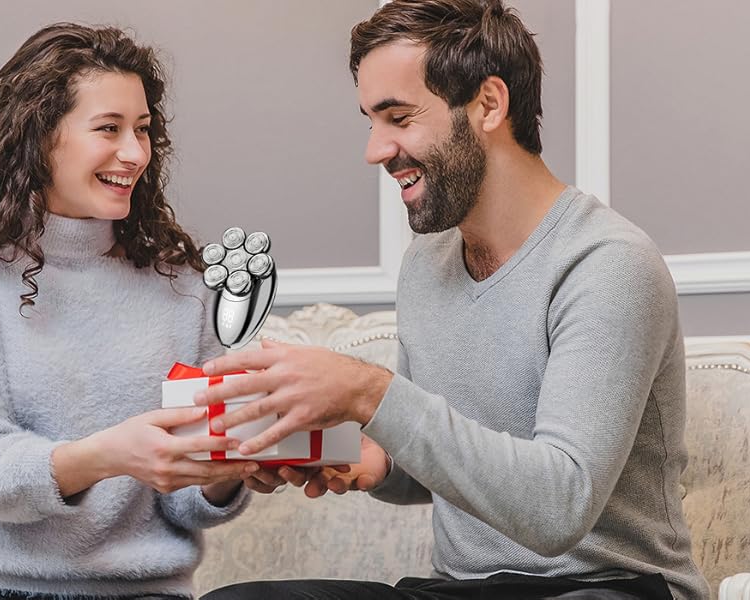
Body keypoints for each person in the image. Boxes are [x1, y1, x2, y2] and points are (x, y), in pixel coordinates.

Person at [198, 1, 709, 599]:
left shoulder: (606, 263)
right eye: (371, 121)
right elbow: (451, 457)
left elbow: (558, 507)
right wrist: (368, 457)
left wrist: (368, 391)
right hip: (462, 589)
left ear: (488, 104)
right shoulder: (428, 263)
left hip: (607, 587)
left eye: (399, 118)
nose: (376, 150)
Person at [0, 23, 260, 600]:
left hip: (144, 591)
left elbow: (185, 501)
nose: (133, 154)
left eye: (143, 130)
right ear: (37, 139)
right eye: (108, 128)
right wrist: (109, 455)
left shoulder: (184, 280)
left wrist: (231, 464)